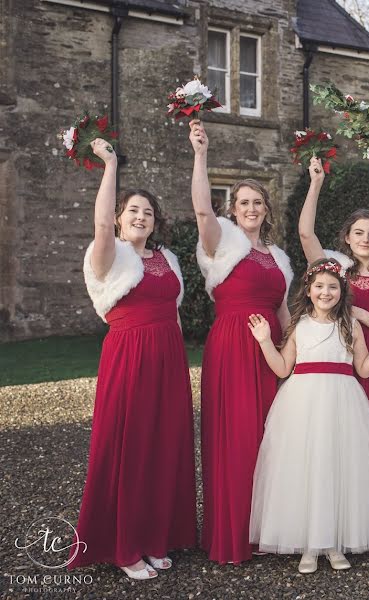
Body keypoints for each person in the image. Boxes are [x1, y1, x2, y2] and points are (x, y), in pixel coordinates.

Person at [71, 138, 196, 579]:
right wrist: (109, 165)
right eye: (132, 211)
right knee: (131, 445)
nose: (140, 217)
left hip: (168, 357)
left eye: (147, 212)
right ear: (121, 218)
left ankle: (155, 537)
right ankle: (124, 547)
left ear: (155, 221)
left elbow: (176, 313)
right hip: (130, 357)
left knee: (164, 446)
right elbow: (101, 227)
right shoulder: (108, 254)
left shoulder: (168, 259)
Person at [248, 259, 369, 573]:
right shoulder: (299, 324)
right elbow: (281, 368)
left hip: (343, 400)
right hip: (302, 402)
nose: (325, 292)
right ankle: (308, 544)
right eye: (319, 286)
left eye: (333, 287)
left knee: (336, 466)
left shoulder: (350, 325)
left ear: (342, 291)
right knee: (306, 467)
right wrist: (264, 341)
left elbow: (364, 368)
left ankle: (333, 542)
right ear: (309, 289)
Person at [188, 120, 293, 564]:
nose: (251, 208)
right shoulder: (221, 243)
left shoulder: (279, 257)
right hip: (232, 346)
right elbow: (200, 212)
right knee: (236, 436)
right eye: (243, 202)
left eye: (258, 202)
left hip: (270, 351)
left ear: (267, 209)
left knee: (274, 436)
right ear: (232, 210)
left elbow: (286, 312)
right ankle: (232, 532)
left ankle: (269, 528)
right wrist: (200, 155)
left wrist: (295, 355)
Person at [298, 157, 369, 426]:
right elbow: (305, 234)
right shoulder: (335, 268)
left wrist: (357, 312)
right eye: (358, 233)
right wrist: (315, 184)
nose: (365, 239)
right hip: (341, 360)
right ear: (347, 238)